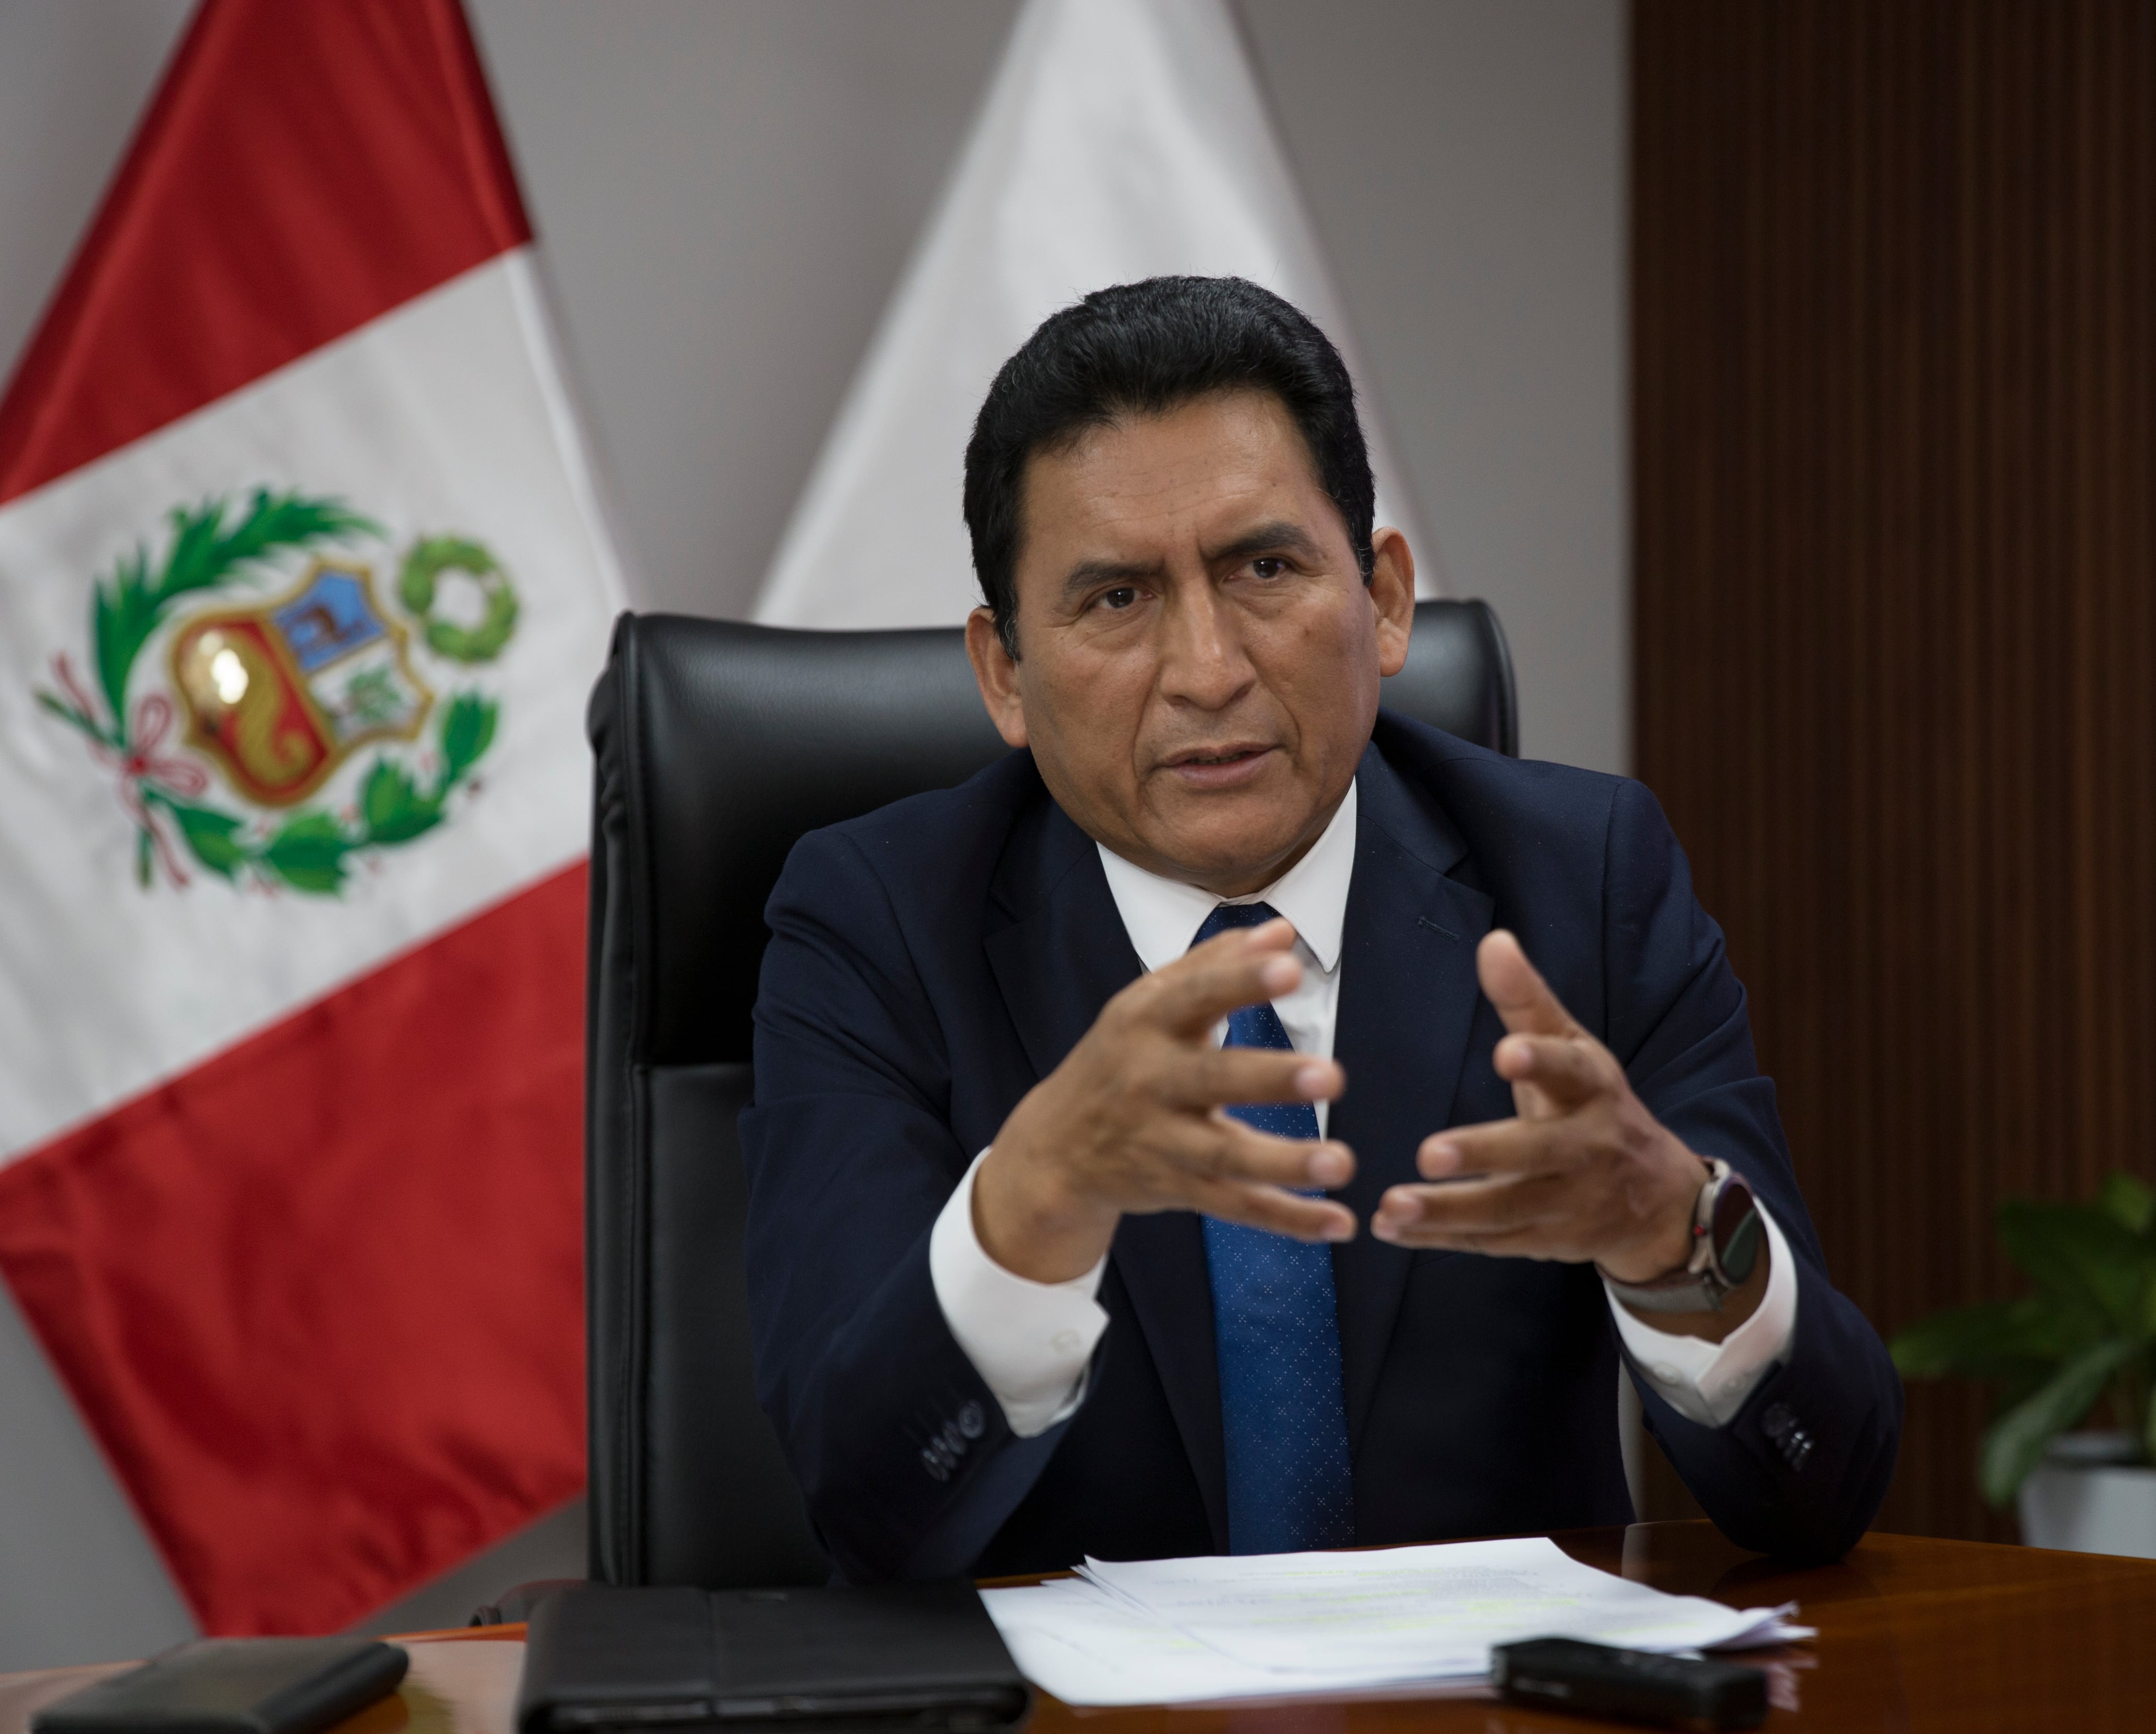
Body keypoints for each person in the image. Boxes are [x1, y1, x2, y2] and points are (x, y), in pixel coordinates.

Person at [743, 276, 1899, 1582]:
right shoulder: (877, 923)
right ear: (1004, 672)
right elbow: (860, 1500)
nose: (1207, 668)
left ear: (1386, 600)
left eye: (1265, 568)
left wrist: (1673, 1233)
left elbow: (1826, 1488)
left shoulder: (1584, 880)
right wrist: (1033, 1202)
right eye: (1117, 598)